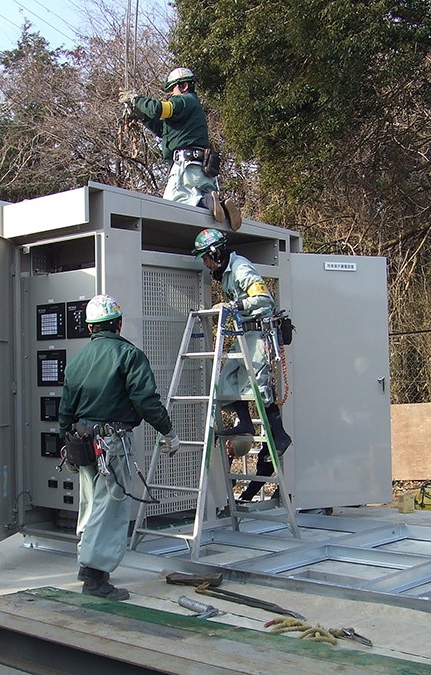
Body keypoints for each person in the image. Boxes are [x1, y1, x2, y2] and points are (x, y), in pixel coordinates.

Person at [58, 294, 179, 601]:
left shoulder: (77, 361)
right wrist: (168, 432)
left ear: (89, 328)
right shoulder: (129, 355)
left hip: (82, 443)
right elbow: (146, 400)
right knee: (110, 508)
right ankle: (95, 577)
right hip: (112, 442)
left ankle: (87, 564)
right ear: (119, 324)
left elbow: (65, 409)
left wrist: (65, 443)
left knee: (90, 505)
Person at [191, 228, 292, 499]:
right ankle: (245, 424)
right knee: (226, 382)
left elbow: (263, 299)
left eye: (205, 258)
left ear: (216, 253)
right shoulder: (226, 273)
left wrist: (234, 305)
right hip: (244, 334)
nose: (205, 264)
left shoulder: (240, 268)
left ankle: (279, 435)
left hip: (258, 334)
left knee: (259, 388)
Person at [120, 67, 241, 231]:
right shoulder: (189, 110)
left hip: (186, 168)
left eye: (172, 89)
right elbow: (163, 131)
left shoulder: (185, 101)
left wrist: (136, 99)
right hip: (201, 169)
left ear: (184, 86)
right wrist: (141, 115)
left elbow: (157, 109)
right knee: (201, 215)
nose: (171, 94)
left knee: (170, 208)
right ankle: (221, 207)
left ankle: (207, 201)